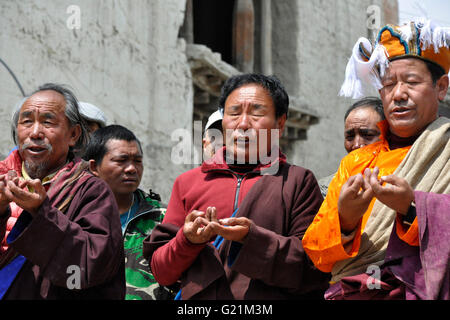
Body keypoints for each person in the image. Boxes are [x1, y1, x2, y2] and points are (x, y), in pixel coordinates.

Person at [143, 73, 330, 300]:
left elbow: (313, 268)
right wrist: (187, 240)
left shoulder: (297, 182)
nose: (243, 124)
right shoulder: (188, 183)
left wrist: (252, 239)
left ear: (280, 123)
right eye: (234, 113)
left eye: (257, 112)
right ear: (223, 121)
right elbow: (162, 272)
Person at [302, 19, 450, 299]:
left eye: (412, 82)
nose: (399, 95)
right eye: (389, 84)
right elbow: (316, 254)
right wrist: (346, 220)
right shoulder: (356, 162)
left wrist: (411, 209)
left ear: (441, 87)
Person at [0, 83, 125, 299]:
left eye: (48, 122)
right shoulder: (3, 177)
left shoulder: (91, 190)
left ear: (73, 135)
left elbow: (91, 266)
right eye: (27, 121)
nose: (36, 132)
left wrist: (41, 212)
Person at [83, 124, 173, 300]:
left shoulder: (164, 217)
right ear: (94, 167)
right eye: (121, 160)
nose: (132, 168)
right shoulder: (75, 216)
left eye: (137, 161)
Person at [318, 97, 384, 197]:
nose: (357, 145)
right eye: (350, 137)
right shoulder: (325, 188)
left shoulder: (398, 184)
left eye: (368, 135)